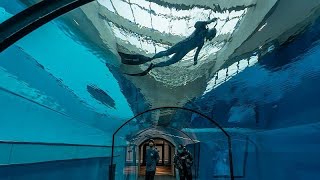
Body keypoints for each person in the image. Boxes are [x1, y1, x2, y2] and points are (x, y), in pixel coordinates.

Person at [123, 18, 218, 76]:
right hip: (181, 45)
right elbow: (196, 24)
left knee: (169, 61)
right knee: (166, 53)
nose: (209, 38)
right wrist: (209, 21)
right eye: (211, 36)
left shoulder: (201, 42)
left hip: (182, 52)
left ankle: (153, 65)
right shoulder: (201, 28)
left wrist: (195, 61)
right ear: (211, 33)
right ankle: (150, 59)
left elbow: (197, 53)